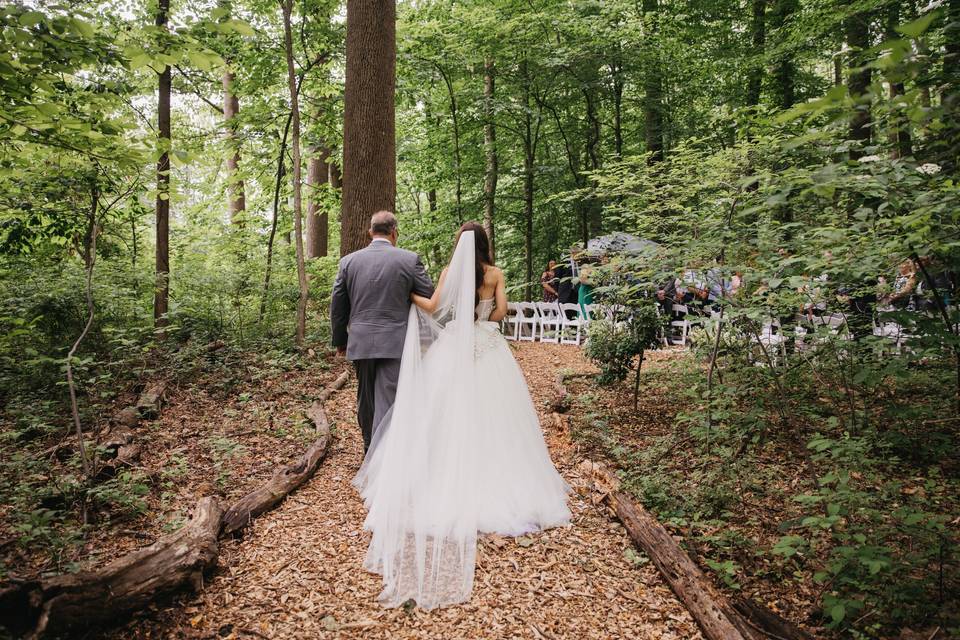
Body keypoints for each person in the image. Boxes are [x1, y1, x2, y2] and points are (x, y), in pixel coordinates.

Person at [353, 222, 571, 610]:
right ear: (486, 244)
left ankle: (440, 474)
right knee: (499, 417)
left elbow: (434, 306)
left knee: (439, 413)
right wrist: (486, 311)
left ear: (459, 245)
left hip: (453, 346)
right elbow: (501, 312)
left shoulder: (450, 273)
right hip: (487, 345)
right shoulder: (495, 274)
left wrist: (410, 298)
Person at [329, 211, 434, 452]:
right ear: (394, 232)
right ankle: (389, 454)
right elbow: (429, 294)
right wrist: (406, 295)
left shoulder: (348, 262)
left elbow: (338, 306)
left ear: (370, 232)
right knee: (391, 397)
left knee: (366, 399)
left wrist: (341, 341)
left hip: (361, 341)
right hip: (396, 341)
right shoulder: (409, 259)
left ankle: (370, 449)